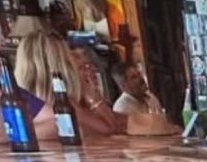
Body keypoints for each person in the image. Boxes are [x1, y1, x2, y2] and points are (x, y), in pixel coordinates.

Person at [12, 33, 176, 140]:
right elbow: (109, 127)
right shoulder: (64, 107)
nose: (88, 71)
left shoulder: (31, 109)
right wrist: (92, 95)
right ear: (57, 65)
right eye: (79, 66)